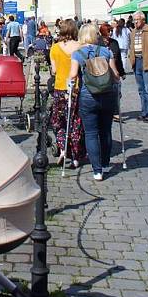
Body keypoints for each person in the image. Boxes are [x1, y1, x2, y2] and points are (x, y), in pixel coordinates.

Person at [69, 22, 120, 181]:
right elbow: (116, 75)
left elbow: (72, 75)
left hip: (88, 96)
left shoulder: (78, 54)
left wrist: (69, 86)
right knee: (106, 130)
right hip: (107, 95)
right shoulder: (106, 51)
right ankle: (105, 161)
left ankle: (97, 170)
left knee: (91, 133)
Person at [49, 19, 86, 168]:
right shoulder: (80, 47)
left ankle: (63, 147)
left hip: (59, 88)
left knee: (58, 121)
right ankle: (76, 156)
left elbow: (54, 70)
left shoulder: (55, 48)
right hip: (75, 89)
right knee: (75, 122)